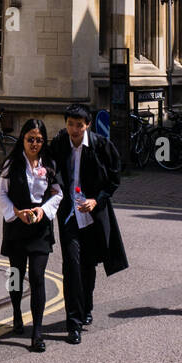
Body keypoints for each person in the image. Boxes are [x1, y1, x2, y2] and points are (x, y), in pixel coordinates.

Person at [49, 102, 128, 344]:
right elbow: (48, 167)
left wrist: (96, 200)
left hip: (92, 213)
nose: (74, 130)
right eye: (70, 124)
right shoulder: (59, 144)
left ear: (88, 125)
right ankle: (73, 323)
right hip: (68, 214)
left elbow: (114, 179)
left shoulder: (101, 146)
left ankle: (87, 306)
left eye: (79, 126)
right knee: (71, 265)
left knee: (89, 264)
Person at [0, 118, 62, 352]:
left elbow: (58, 193)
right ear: (23, 139)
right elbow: (1, 194)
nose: (34, 144)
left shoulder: (50, 164)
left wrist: (41, 210)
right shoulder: (11, 163)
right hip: (16, 227)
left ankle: (37, 333)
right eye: (30, 139)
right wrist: (16, 212)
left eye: (39, 140)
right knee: (15, 274)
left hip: (39, 228)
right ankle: (16, 312)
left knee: (37, 277)